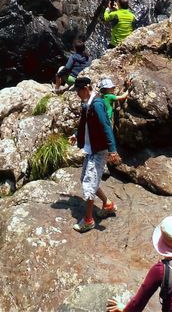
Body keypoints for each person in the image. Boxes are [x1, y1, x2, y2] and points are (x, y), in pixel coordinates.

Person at [70, 76, 120, 233]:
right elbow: (84, 124)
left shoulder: (97, 104)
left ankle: (88, 220)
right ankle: (107, 204)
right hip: (92, 148)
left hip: (99, 150)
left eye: (78, 91)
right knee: (86, 177)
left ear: (85, 88)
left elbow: (106, 125)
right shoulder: (88, 103)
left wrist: (112, 150)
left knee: (88, 184)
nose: (77, 93)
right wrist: (75, 135)